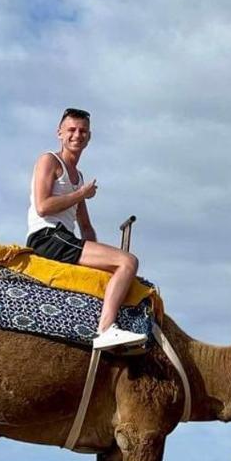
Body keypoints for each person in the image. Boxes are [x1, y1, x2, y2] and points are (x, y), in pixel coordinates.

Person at [25, 107, 147, 349]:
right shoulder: (49, 160)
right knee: (129, 262)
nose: (76, 135)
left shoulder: (79, 177)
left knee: (119, 265)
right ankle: (106, 330)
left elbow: (86, 228)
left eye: (83, 131)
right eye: (71, 130)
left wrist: (106, 259)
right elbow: (42, 206)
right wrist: (81, 194)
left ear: (89, 137)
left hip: (64, 238)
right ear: (59, 133)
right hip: (47, 236)